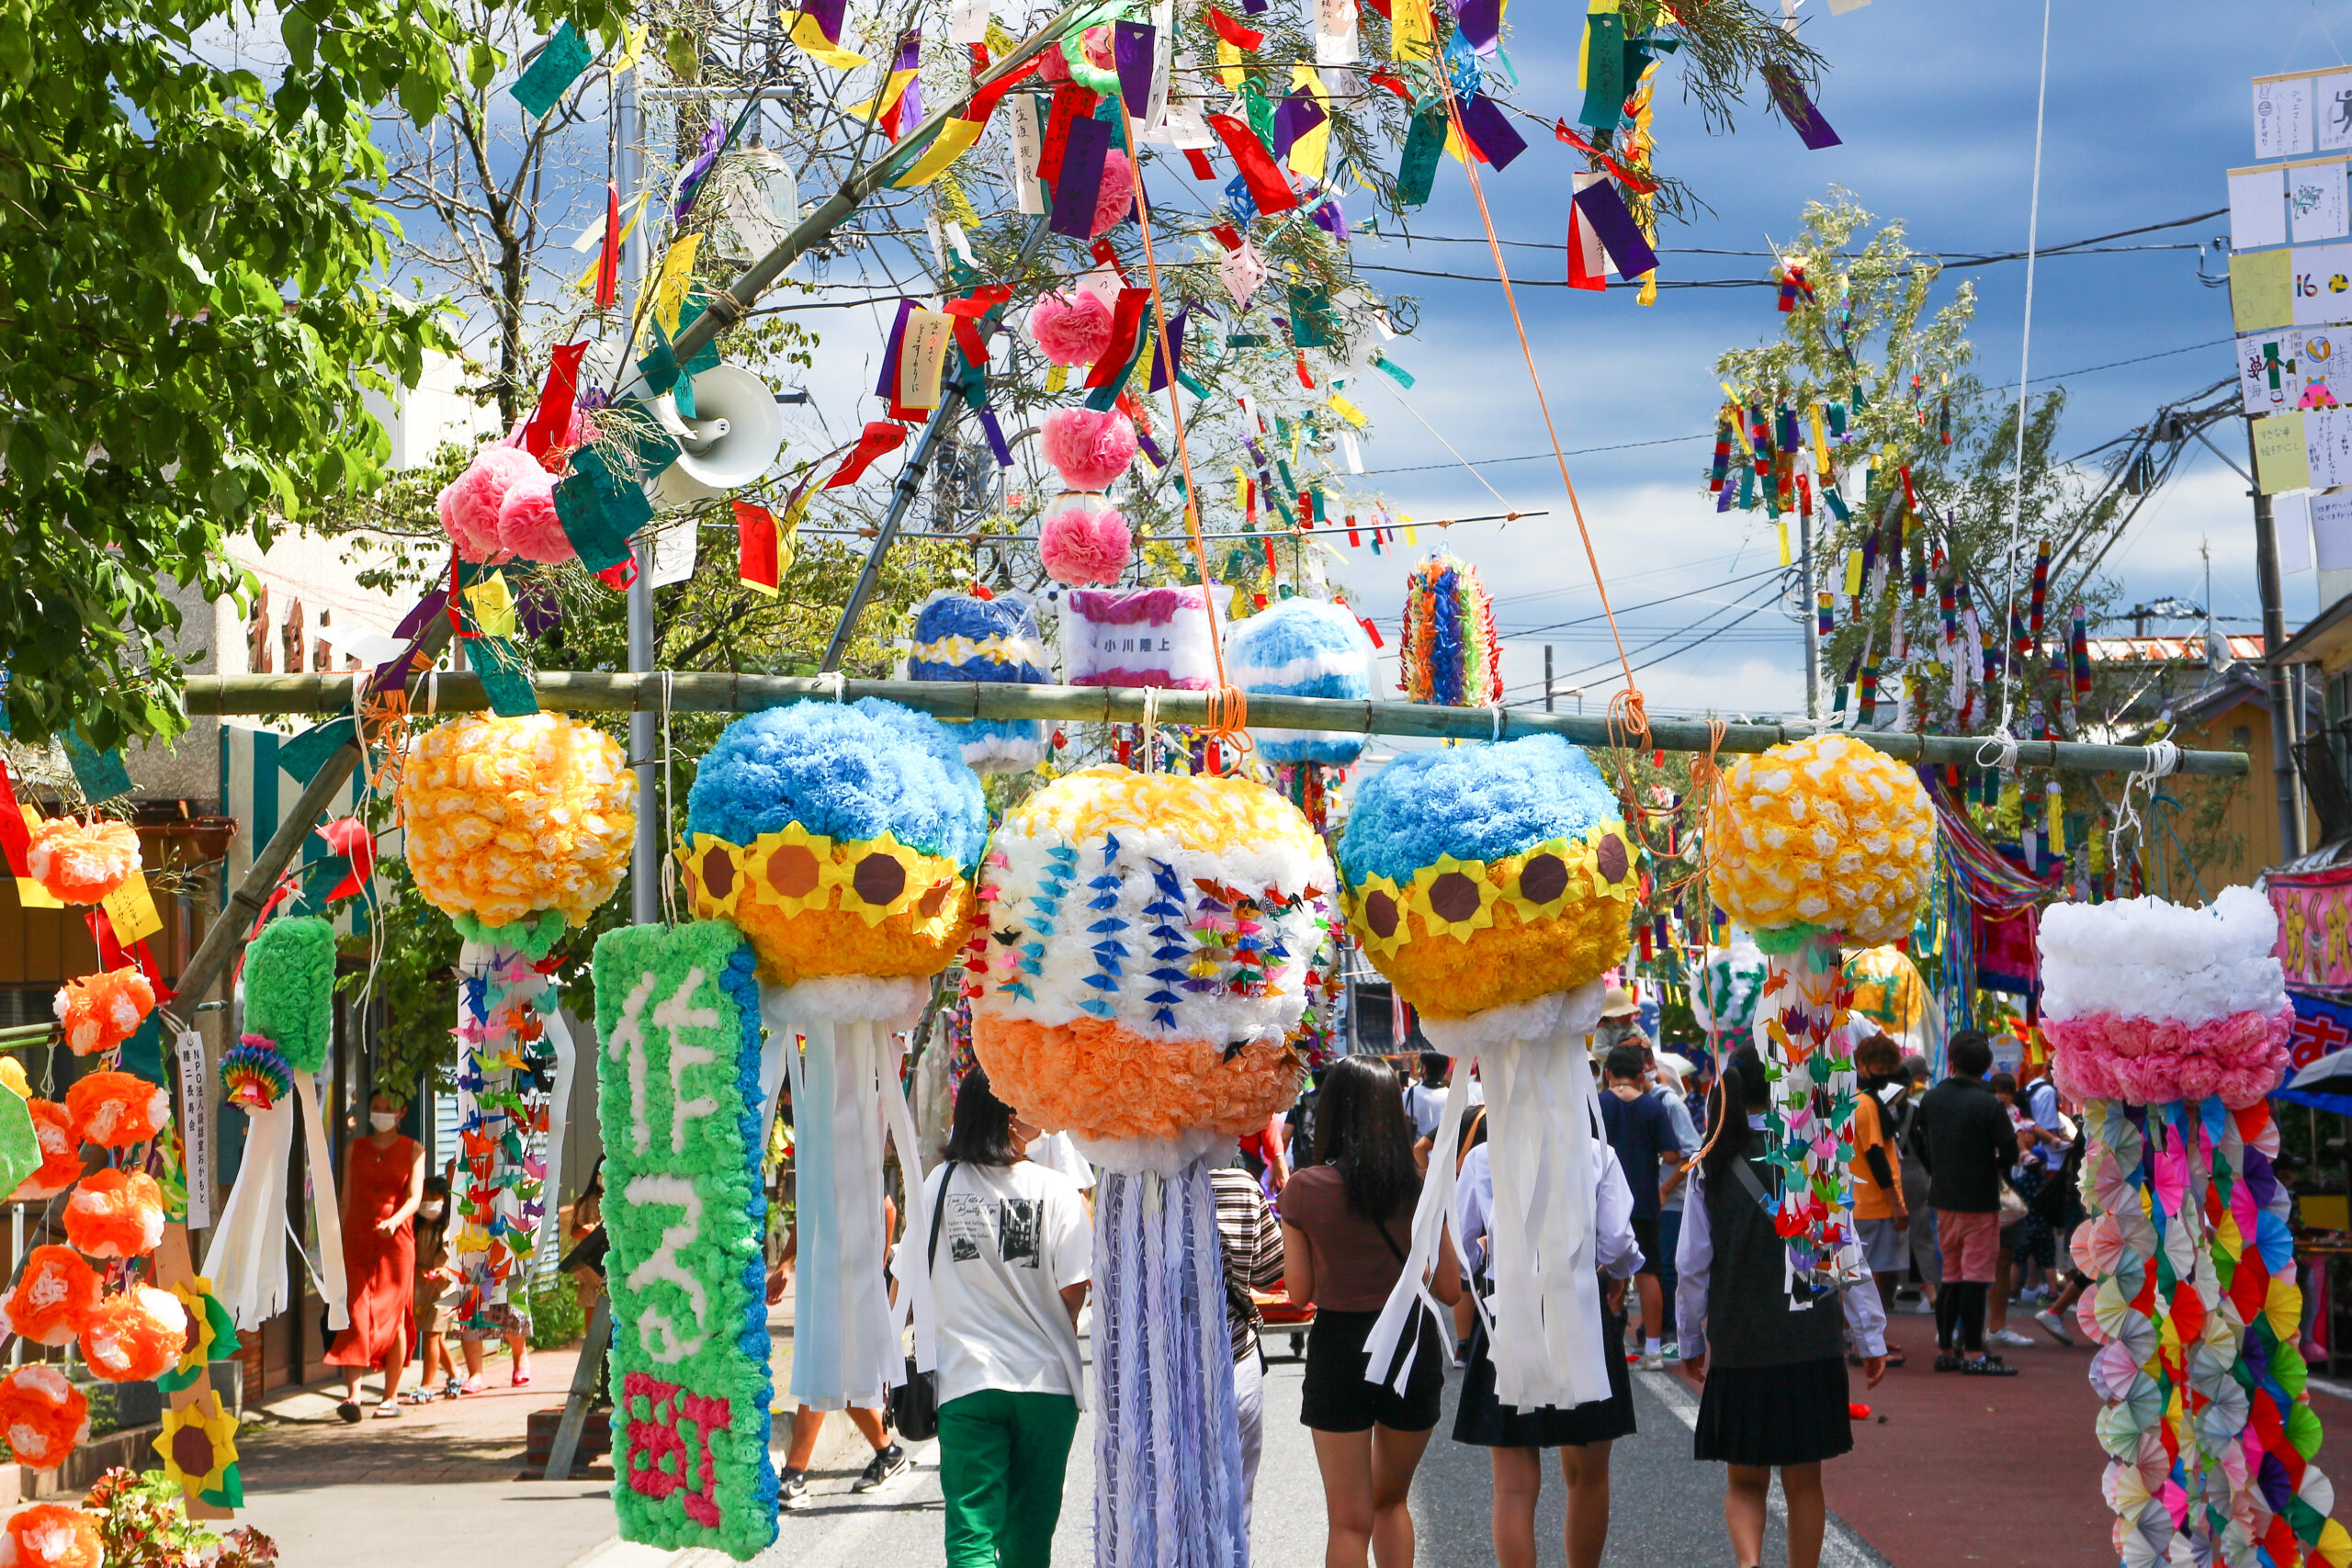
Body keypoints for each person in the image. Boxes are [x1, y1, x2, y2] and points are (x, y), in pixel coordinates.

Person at [1678, 1047, 1887, 1568]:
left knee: (1744, 1478)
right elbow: (1847, 1252)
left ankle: (1750, 1564)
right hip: (1809, 1339)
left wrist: (1688, 1338)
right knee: (1804, 1480)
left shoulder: (1712, 1161)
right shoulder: (1816, 1157)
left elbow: (1691, 1266)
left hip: (1739, 1339)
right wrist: (1871, 1337)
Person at [905, 1068, 1091, 1568]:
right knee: (1029, 1538)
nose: (1040, 1114)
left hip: (966, 1379)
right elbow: (1075, 1289)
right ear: (1009, 1117)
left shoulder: (937, 1185)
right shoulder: (1057, 1191)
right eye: (1029, 1101)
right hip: (1045, 1383)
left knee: (970, 1534)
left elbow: (905, 1277)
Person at [1283, 1054, 1463, 1568]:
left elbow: (1299, 1293)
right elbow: (1449, 1288)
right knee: (1392, 1502)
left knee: (1347, 1520)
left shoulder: (1306, 1188)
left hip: (1340, 1346)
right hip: (1410, 1343)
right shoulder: (1421, 1184)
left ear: (1332, 1110)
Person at [1454, 1102, 1643, 1568]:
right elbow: (1617, 1242)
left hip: (1510, 1312)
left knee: (1513, 1486)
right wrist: (1617, 1270)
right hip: (1580, 1306)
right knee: (1588, 1476)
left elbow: (1459, 1252)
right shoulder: (1598, 1153)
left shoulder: (1485, 1155)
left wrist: (1483, 1256)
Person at [770, 1198, 908, 1509]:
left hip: (849, 1282)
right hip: (824, 1279)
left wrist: (876, 1267)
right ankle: (889, 1454)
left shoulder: (848, 1150)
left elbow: (887, 1208)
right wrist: (786, 1265)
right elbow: (808, 1213)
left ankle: (793, 1475)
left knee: (823, 1366)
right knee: (836, 1374)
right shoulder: (816, 1158)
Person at [1915, 1030, 2022, 1375]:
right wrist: (1991, 1167)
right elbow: (2009, 1151)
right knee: (1976, 1277)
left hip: (1944, 1196)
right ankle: (1974, 1352)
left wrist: (1938, 1168)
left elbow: (1919, 1143)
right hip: (1980, 1198)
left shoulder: (1932, 1099)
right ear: (1987, 1067)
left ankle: (1946, 1348)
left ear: (1952, 1062)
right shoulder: (1990, 1104)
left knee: (1951, 1274)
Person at [325, 1090, 426, 1421]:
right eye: (375, 1108)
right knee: (355, 1312)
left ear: (401, 1113)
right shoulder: (355, 1149)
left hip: (397, 1244)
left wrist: (395, 1222)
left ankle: (390, 1396)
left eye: (388, 1109)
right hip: (357, 1239)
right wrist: (334, 1244)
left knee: (393, 1315)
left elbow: (415, 1198)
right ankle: (353, 1396)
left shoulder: (414, 1149)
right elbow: (345, 1199)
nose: (381, 1113)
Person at [1210, 1156, 1286, 1535]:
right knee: (1235, 1505)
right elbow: (1272, 1270)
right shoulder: (1241, 1184)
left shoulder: (1140, 1183)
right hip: (1235, 1356)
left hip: (1162, 1369)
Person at [1597, 1043, 1675, 1370]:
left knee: (1601, 1268)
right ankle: (1654, 1350)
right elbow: (1673, 1155)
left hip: (1602, 1201)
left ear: (1609, 1073)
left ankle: (1605, 1343)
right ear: (1641, 1073)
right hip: (1643, 1199)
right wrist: (1663, 1189)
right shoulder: (1653, 1109)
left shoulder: (1596, 1105)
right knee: (1648, 1271)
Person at [1849, 1035, 1911, 1362]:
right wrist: (1896, 1204)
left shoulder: (1861, 1099)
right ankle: (1866, 1343)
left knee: (1871, 1274)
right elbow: (1875, 1156)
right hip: (1873, 1203)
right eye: (1879, 1068)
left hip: (1863, 1201)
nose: (1885, 1074)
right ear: (1861, 1066)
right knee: (1872, 1276)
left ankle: (1872, 1338)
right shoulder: (1867, 1105)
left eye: (1890, 1068)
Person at [1647, 1049, 1702, 1356]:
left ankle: (1670, 1330)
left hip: (1672, 1200)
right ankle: (1655, 1327)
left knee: (1668, 1266)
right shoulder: (1635, 1103)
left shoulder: (1669, 1103)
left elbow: (1693, 1152)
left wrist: (1666, 1188)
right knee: (1651, 1266)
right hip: (1647, 1198)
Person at [405, 1174, 460, 1403]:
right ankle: (456, 1374)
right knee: (435, 1337)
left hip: (445, 1291)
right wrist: (418, 1271)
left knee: (431, 1335)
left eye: (433, 1198)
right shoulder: (415, 1225)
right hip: (423, 1289)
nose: (428, 1202)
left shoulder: (451, 1227)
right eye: (424, 1197)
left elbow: (462, 1258)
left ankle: (426, 1386)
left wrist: (444, 1271)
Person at [1897, 1053, 1939, 1318]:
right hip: (1916, 1174)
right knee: (1922, 1236)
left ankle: (1892, 1289)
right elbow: (1926, 1148)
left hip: (1887, 1175)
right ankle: (1932, 1292)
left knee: (1889, 1236)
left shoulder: (1873, 1105)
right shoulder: (1916, 1107)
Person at [1402, 1053, 1450, 1144]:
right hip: (1443, 1154)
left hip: (1415, 1153)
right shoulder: (1451, 1096)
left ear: (1424, 1069)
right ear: (1445, 1072)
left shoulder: (1410, 1094)